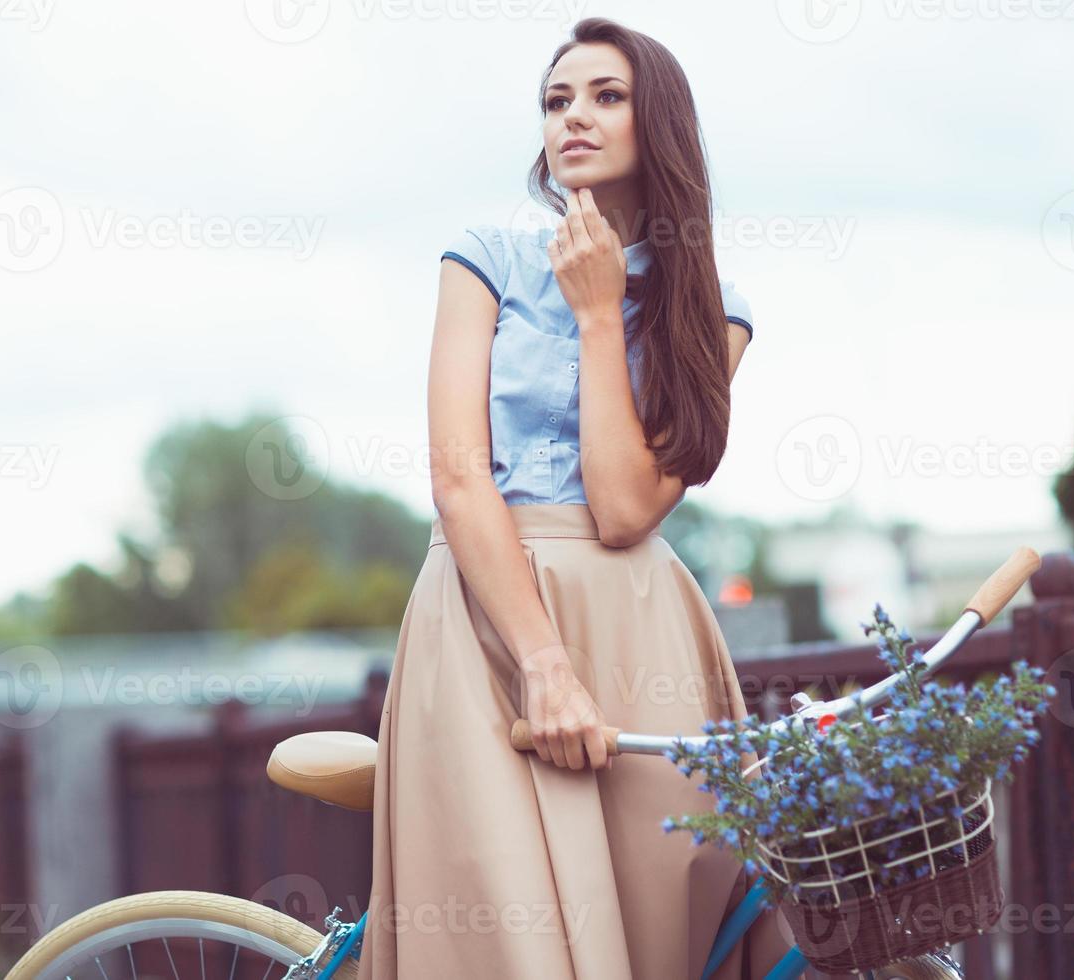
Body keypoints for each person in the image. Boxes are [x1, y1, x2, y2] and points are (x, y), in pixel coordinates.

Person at [357, 16, 795, 979]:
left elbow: (626, 509)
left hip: (642, 633)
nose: (573, 119)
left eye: (605, 96)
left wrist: (601, 313)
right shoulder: (482, 258)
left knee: (654, 936)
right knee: (508, 937)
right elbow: (458, 476)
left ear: (660, 124)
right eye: (556, 101)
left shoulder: (714, 310)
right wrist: (543, 663)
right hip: (484, 626)